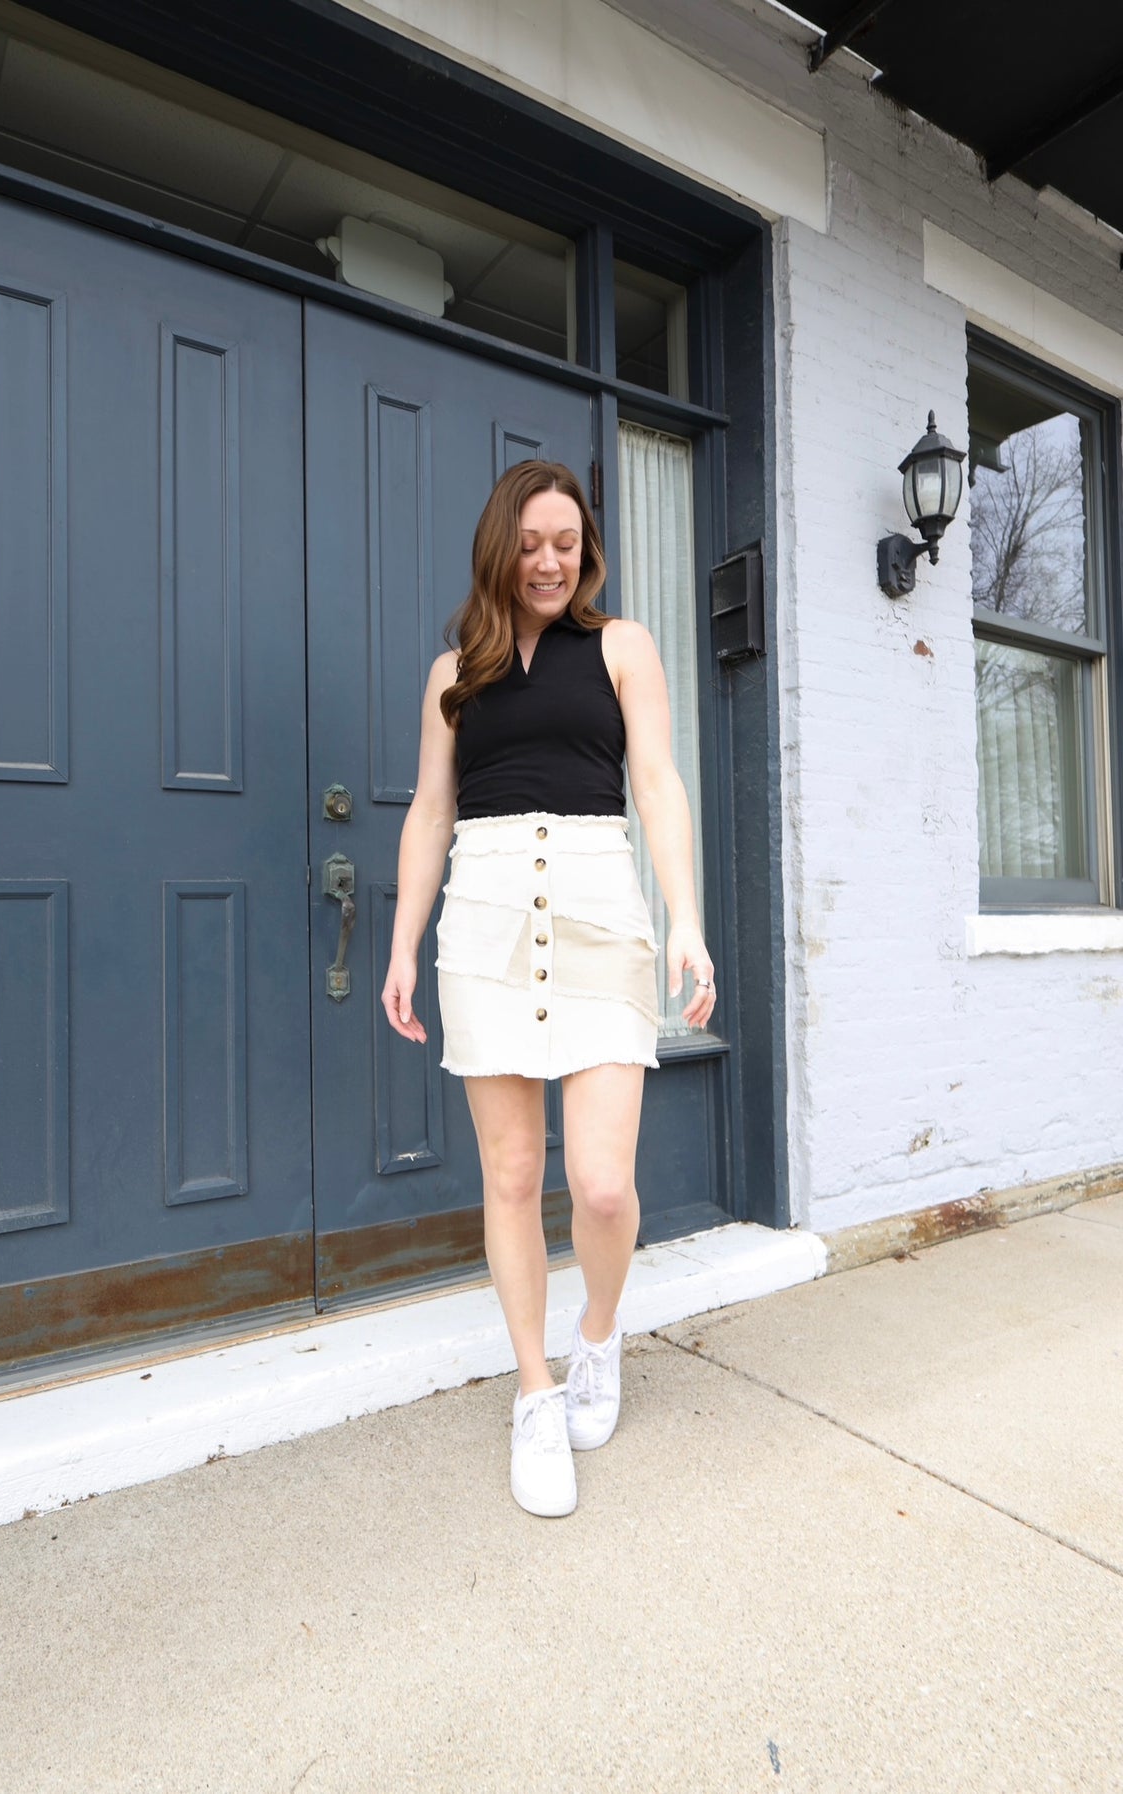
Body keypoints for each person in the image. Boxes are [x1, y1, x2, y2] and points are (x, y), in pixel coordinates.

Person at [381, 460, 715, 1517]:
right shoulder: (454, 673)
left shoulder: (621, 647)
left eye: (566, 541)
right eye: (531, 542)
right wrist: (400, 945)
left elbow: (657, 783)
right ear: (500, 548)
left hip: (599, 914)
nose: (549, 559)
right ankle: (536, 1392)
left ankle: (598, 1340)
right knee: (516, 1176)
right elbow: (430, 813)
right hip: (482, 922)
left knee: (604, 1185)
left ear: (586, 549)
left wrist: (686, 924)